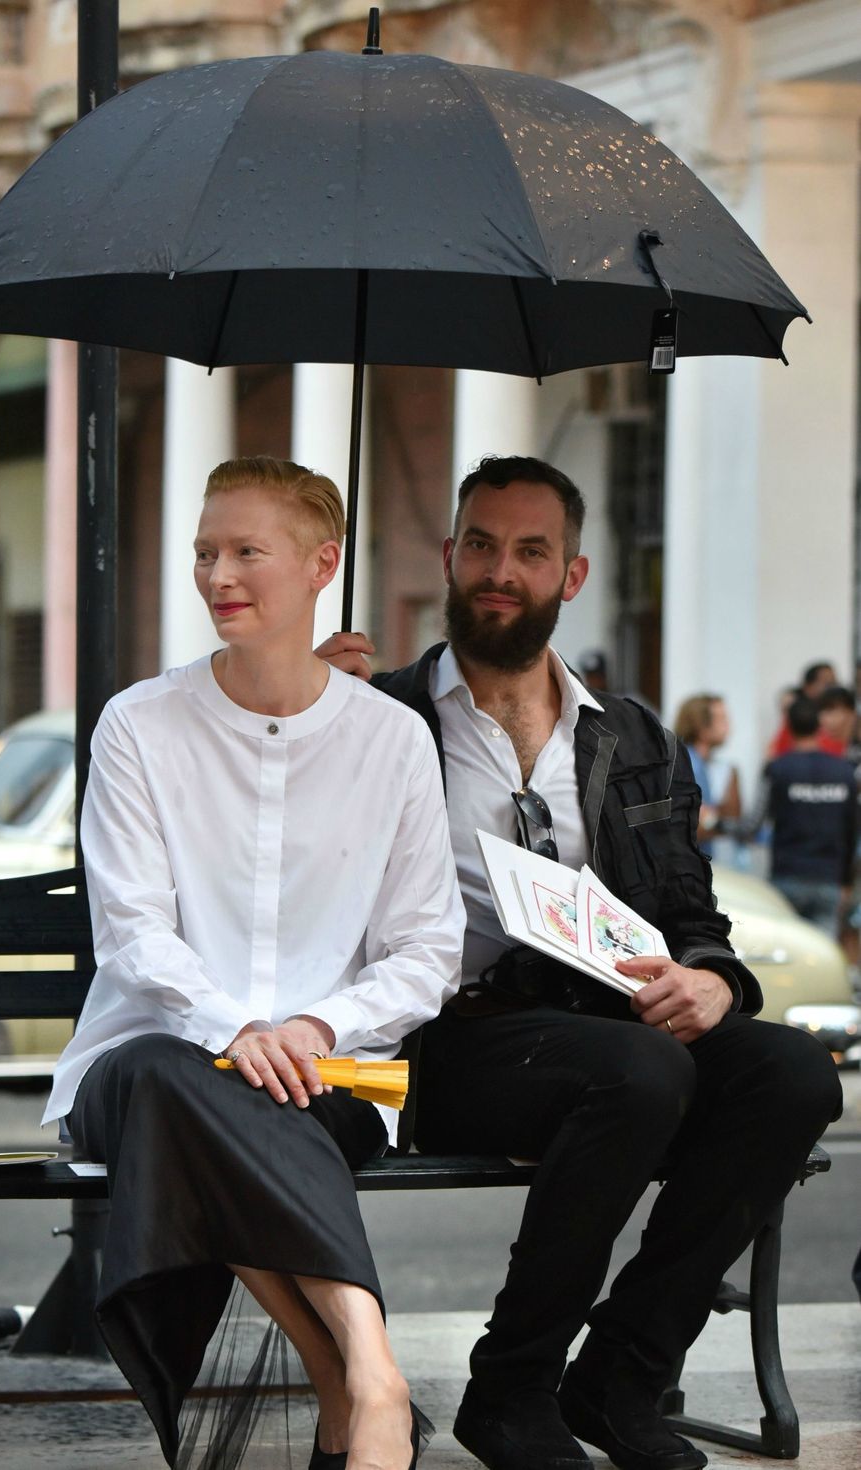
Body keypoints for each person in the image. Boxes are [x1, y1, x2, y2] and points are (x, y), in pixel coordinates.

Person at [319, 455, 842, 1470]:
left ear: (572, 575)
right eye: (479, 544)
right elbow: (296, 883)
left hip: (610, 1027)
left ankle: (619, 1376)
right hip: (442, 1039)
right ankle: (510, 1390)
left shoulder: (635, 738)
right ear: (447, 556)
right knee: (640, 1072)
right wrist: (309, 726)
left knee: (787, 1072)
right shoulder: (378, 717)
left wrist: (713, 982)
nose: (498, 570)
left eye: (528, 551)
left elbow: (694, 914)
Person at [43, 456, 465, 1470]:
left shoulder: (391, 741)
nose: (217, 573)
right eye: (204, 552)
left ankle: (344, 1388)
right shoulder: (139, 725)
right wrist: (234, 1029)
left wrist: (315, 1027)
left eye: (245, 552)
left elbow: (427, 948)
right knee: (165, 1075)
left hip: (330, 1077)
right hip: (153, 1064)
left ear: (323, 564)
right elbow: (133, 932)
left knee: (224, 1104)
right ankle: (366, 1370)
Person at [751, 694, 858, 940]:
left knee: (790, 953)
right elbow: (851, 829)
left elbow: (753, 824)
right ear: (819, 724)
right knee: (822, 956)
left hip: (787, 875)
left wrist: (715, 822)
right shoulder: (843, 771)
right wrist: (847, 881)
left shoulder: (777, 768)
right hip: (829, 878)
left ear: (789, 726)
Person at [672, 694, 741, 856]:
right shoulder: (680, 764)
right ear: (701, 726)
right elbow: (689, 824)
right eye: (721, 719)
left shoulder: (721, 768)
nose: (728, 725)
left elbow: (732, 819)